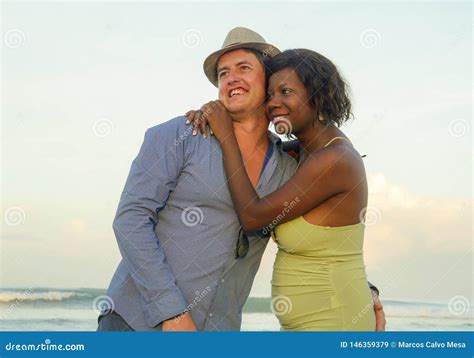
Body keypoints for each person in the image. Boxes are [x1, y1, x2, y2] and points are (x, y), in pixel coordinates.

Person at [98, 27, 385, 331]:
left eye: (243, 68)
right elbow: (130, 221)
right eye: (223, 74)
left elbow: (321, 239)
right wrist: (171, 312)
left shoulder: (290, 164)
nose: (231, 78)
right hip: (136, 323)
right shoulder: (178, 135)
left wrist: (362, 290)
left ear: (266, 81)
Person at [189, 48, 376, 330]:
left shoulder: (334, 159)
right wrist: (211, 115)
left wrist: (225, 131)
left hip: (335, 321)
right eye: (270, 95)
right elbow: (254, 148)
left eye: (286, 91)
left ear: (318, 95)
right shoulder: (302, 152)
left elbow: (253, 217)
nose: (274, 103)